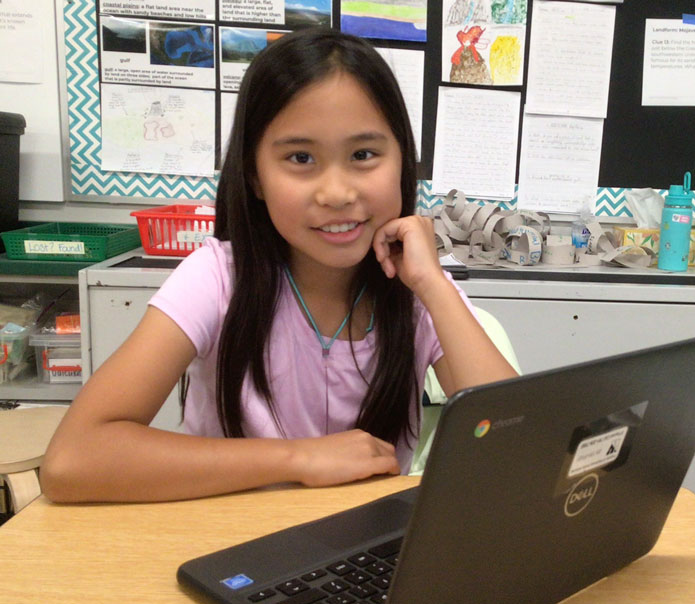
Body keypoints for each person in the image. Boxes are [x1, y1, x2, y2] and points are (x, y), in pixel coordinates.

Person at [40, 29, 517, 503]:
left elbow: (515, 450)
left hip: (363, 556)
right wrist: (298, 458)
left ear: (402, 162)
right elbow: (73, 460)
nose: (337, 193)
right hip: (230, 548)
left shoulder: (416, 293)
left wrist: (433, 285)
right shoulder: (217, 278)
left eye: (364, 155)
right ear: (256, 176)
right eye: (301, 158)